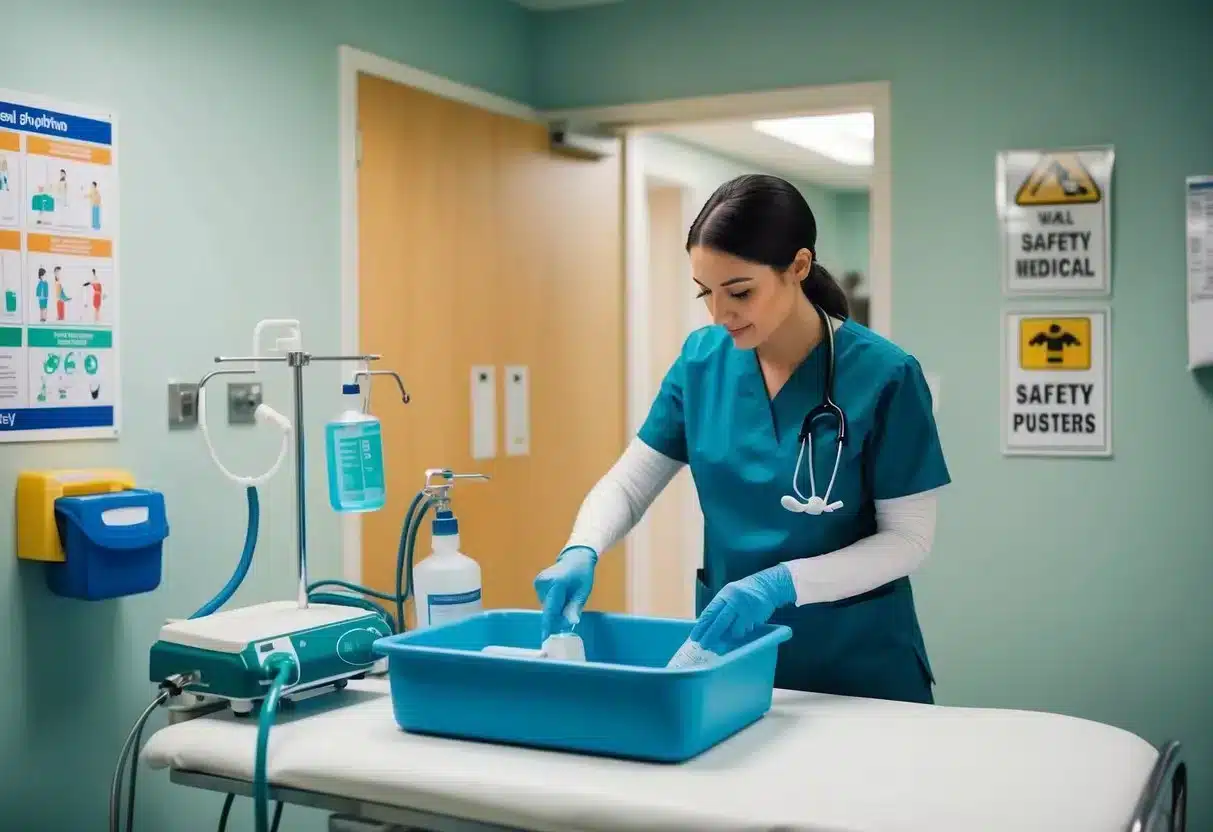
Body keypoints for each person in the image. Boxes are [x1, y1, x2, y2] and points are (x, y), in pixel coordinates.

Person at [533, 174, 950, 704]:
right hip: (734, 660)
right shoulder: (702, 361)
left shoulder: (886, 375)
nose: (719, 314)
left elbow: (909, 540)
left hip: (857, 667)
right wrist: (582, 548)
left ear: (798, 267)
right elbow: (631, 484)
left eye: (740, 292)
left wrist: (779, 584)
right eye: (705, 292)